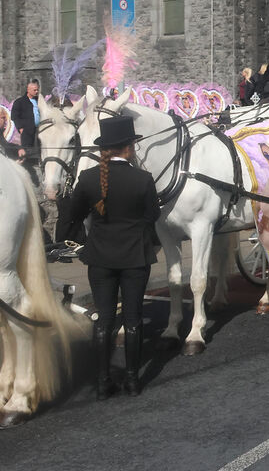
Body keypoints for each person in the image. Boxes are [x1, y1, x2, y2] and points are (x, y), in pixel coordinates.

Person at [65, 116, 160, 399]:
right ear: (129, 147)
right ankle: (132, 380)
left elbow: (74, 215)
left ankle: (103, 381)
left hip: (101, 256)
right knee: (132, 319)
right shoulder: (142, 179)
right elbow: (152, 216)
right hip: (134, 256)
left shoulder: (89, 178)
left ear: (105, 148)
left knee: (104, 320)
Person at [10, 79, 41, 175]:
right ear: (28, 89)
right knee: (28, 149)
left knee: (40, 148)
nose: (36, 92)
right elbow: (14, 116)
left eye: (37, 90)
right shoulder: (20, 102)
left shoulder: (39, 101)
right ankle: (29, 169)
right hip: (27, 130)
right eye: (34, 90)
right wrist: (20, 128)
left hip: (39, 130)